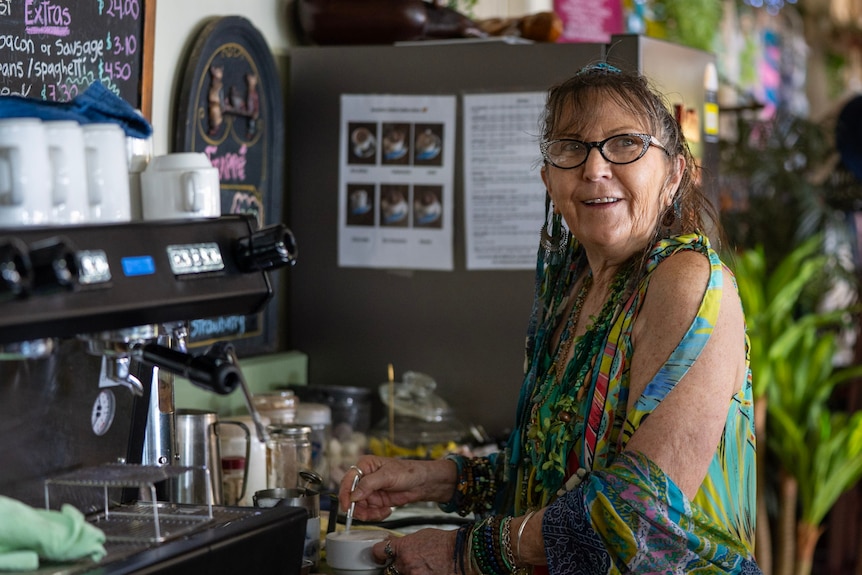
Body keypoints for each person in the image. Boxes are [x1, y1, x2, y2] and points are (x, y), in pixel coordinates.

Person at [338, 63, 761, 575]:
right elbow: (549, 471)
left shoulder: (687, 281)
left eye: (625, 143)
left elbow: (638, 512)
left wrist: (460, 553)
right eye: (570, 148)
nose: (595, 168)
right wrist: (434, 480)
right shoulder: (575, 285)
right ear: (548, 179)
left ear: (672, 173)